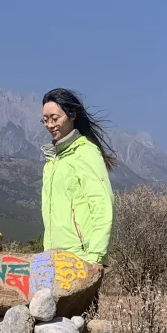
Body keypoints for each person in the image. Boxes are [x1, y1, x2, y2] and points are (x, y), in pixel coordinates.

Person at [40, 87, 116, 264]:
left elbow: (103, 205)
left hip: (82, 259)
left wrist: (95, 258)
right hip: (54, 258)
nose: (49, 125)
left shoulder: (86, 152)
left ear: (72, 116)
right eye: (45, 120)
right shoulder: (52, 162)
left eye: (55, 118)